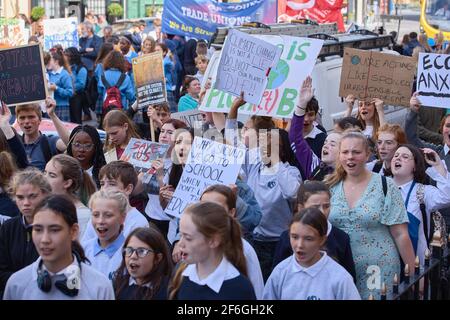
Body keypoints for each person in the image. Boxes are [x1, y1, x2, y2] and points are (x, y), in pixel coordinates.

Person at [325, 131, 416, 299]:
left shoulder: (385, 185)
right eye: (345, 152)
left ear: (368, 154)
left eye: (356, 152)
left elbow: (400, 234)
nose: (350, 157)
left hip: (378, 270)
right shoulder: (329, 186)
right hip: (339, 268)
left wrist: (415, 275)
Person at [227, 93, 301, 281]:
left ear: (281, 148)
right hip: (254, 239)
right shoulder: (254, 165)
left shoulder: (290, 172)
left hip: (282, 242)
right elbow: (232, 146)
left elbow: (292, 192)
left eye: (271, 144)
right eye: (262, 143)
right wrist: (233, 110)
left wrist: (274, 159)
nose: (264, 148)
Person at [3, 195, 114, 300]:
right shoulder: (16, 284)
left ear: (74, 231)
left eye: (54, 230)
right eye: (38, 229)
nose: (45, 239)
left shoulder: (99, 287)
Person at [263, 208, 361, 300]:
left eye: (308, 239)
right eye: (295, 237)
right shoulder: (280, 272)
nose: (300, 245)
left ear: (322, 240)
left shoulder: (340, 278)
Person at [168, 202, 256, 300]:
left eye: (188, 238)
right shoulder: (181, 275)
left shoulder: (239, 289)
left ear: (213, 241)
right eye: (181, 235)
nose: (180, 244)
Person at [272, 181, 356, 280]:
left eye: (326, 206)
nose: (322, 212)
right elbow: (277, 276)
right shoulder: (287, 238)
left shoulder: (341, 238)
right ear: (301, 208)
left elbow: (349, 277)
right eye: (315, 207)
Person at [200, 185, 264, 299]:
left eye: (216, 208)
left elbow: (257, 293)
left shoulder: (244, 250)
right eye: (204, 207)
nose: (208, 213)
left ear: (231, 212)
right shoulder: (195, 246)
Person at [391, 144, 450, 264]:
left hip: (416, 263)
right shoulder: (380, 187)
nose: (398, 158)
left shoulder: (422, 192)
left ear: (414, 167)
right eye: (396, 155)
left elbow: (446, 197)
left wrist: (438, 165)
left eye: (405, 156)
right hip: (386, 261)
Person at [0, 169, 51, 297]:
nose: (26, 203)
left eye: (32, 196)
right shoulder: (8, 227)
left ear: (45, 194)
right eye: (20, 197)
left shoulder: (55, 226)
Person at [406, 93, 450, 226]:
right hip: (437, 224)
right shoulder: (434, 153)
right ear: (442, 129)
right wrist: (413, 111)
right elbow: (412, 138)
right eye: (448, 126)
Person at [82, 161, 149, 244]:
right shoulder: (98, 215)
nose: (104, 189)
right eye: (102, 184)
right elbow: (85, 246)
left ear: (128, 189)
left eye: (112, 184)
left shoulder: (138, 222)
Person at [44, 154, 96, 238]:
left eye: (52, 175)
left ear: (67, 183)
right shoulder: (45, 207)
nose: (44, 178)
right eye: (45, 172)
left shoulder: (83, 216)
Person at [113, 227, 172, 300]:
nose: (133, 256)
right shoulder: (118, 284)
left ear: (157, 258)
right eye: (129, 250)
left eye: (141, 251)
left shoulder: (170, 290)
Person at [83, 189, 128, 279]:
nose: (100, 221)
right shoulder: (83, 250)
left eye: (108, 215)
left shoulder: (129, 254)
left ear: (122, 218)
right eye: (96, 215)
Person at [47, 48, 74, 122]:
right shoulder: (48, 74)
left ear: (56, 62)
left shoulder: (64, 74)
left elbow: (70, 92)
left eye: (50, 60)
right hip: (50, 106)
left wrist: (56, 88)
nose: (48, 62)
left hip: (61, 106)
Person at [64, 47, 89, 124]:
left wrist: (69, 87)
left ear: (72, 56)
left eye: (66, 55)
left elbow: (81, 84)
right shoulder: (66, 67)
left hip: (77, 97)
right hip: (68, 96)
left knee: (76, 119)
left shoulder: (81, 68)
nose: (64, 57)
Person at [155, 43, 176, 113]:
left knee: (171, 113)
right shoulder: (157, 62)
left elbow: (169, 65)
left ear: (164, 52)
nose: (156, 52)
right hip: (159, 91)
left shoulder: (166, 62)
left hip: (166, 91)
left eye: (158, 50)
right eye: (155, 50)